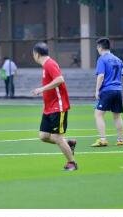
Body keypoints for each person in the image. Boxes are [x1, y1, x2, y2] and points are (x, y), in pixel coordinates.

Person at [31, 42, 78, 171]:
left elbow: (60, 79)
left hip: (58, 107)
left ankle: (72, 163)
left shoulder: (49, 64)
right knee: (43, 136)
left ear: (37, 54)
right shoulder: (45, 65)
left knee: (57, 137)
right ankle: (68, 144)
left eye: (33, 54)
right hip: (49, 108)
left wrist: (41, 89)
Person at [92, 37, 123, 147]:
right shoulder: (118, 60)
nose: (97, 49)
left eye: (97, 47)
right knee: (117, 116)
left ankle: (103, 139)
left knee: (98, 114)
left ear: (100, 47)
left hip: (107, 91)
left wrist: (97, 90)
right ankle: (120, 140)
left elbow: (101, 75)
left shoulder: (102, 59)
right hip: (117, 91)